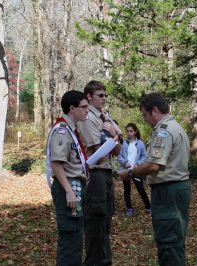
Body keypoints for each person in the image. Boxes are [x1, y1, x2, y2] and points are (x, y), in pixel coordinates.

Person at [118, 92, 191, 266]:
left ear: (155, 110)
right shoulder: (177, 127)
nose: (144, 119)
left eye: (144, 114)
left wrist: (130, 173)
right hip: (179, 189)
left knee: (168, 242)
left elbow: (153, 165)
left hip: (167, 192)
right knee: (176, 240)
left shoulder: (163, 132)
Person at [77, 80, 122, 266]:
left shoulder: (106, 118)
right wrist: (113, 138)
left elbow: (118, 149)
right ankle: (95, 262)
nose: (104, 99)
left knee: (105, 223)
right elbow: (98, 152)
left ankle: (104, 262)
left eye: (105, 95)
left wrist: (113, 133)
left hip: (107, 174)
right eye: (100, 95)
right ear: (89, 96)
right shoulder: (88, 118)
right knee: (96, 223)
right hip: (95, 174)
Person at [46, 90, 89, 266]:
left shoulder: (72, 129)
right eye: (84, 107)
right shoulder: (62, 131)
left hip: (75, 185)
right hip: (69, 188)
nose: (87, 110)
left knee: (76, 236)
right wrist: (69, 191)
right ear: (72, 108)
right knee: (70, 236)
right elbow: (56, 163)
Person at [117, 123, 151, 216]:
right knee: (127, 189)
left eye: (131, 131)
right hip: (125, 170)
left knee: (140, 188)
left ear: (135, 131)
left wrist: (137, 163)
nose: (129, 133)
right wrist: (125, 163)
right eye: (127, 131)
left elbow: (144, 156)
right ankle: (129, 208)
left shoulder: (140, 143)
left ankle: (149, 207)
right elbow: (119, 156)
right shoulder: (124, 143)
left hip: (136, 170)